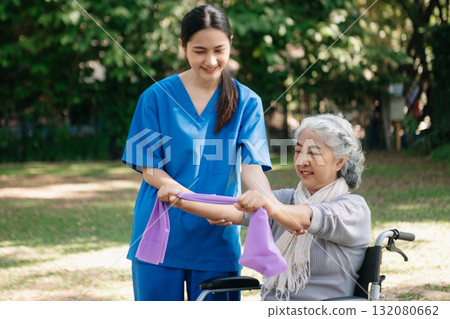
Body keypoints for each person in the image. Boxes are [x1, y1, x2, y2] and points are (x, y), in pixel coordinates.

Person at [122, 4, 273, 301]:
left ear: (231, 43)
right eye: (199, 51)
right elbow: (150, 169)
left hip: (216, 239)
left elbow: (252, 169)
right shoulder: (155, 97)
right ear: (183, 47)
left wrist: (271, 209)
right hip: (160, 235)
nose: (211, 60)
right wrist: (186, 197)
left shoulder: (247, 102)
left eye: (219, 49)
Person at [172, 114, 372, 301]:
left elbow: (306, 217)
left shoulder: (353, 209)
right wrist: (179, 199)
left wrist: (268, 204)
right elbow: (231, 210)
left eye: (313, 153)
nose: (301, 160)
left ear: (340, 161)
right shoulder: (286, 198)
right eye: (298, 151)